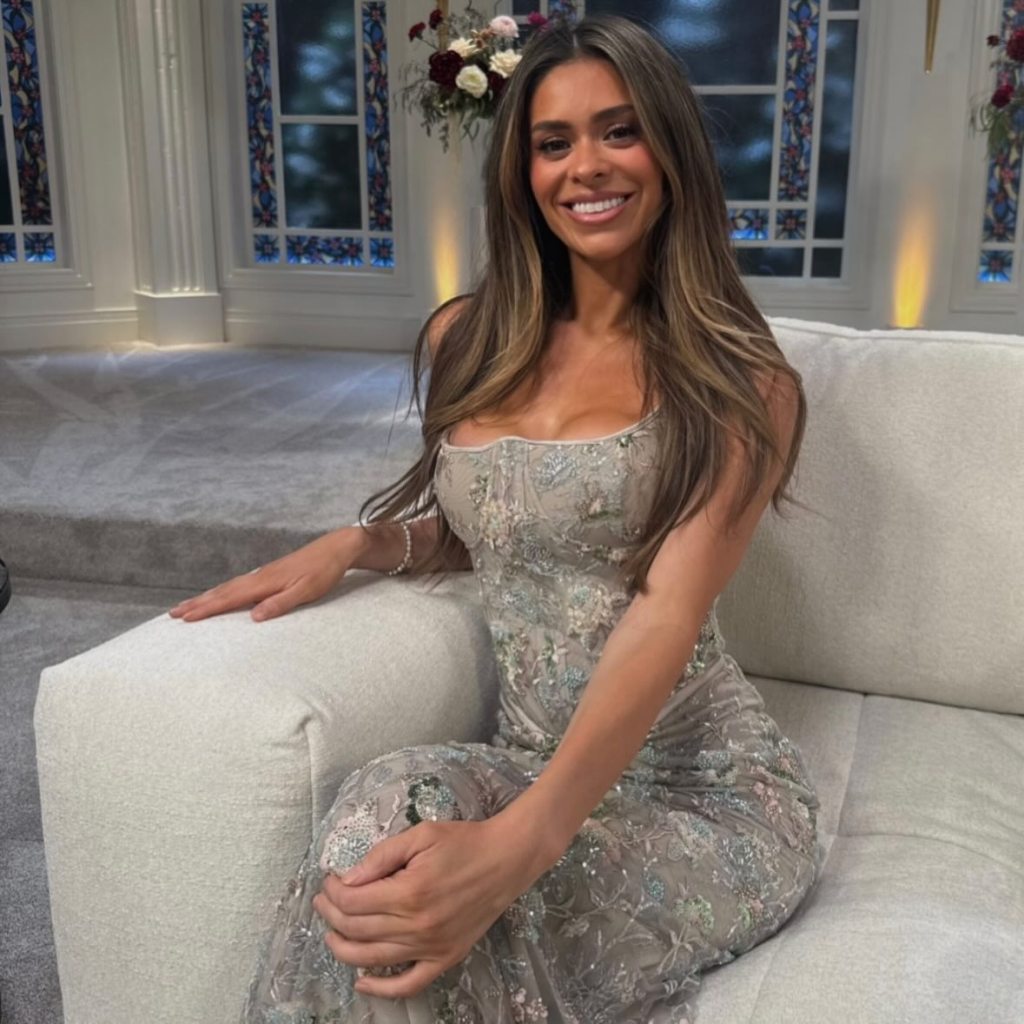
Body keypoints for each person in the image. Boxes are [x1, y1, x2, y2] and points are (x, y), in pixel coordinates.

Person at [170, 13, 823, 1023]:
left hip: (703, 793)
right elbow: (501, 528)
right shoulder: (465, 339)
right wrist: (363, 541)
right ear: (519, 170)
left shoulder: (743, 378)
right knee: (375, 851)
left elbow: (664, 611)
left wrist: (521, 843)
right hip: (521, 757)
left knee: (463, 921)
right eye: (551, 142)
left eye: (619, 130)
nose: (585, 167)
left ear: (672, 151)